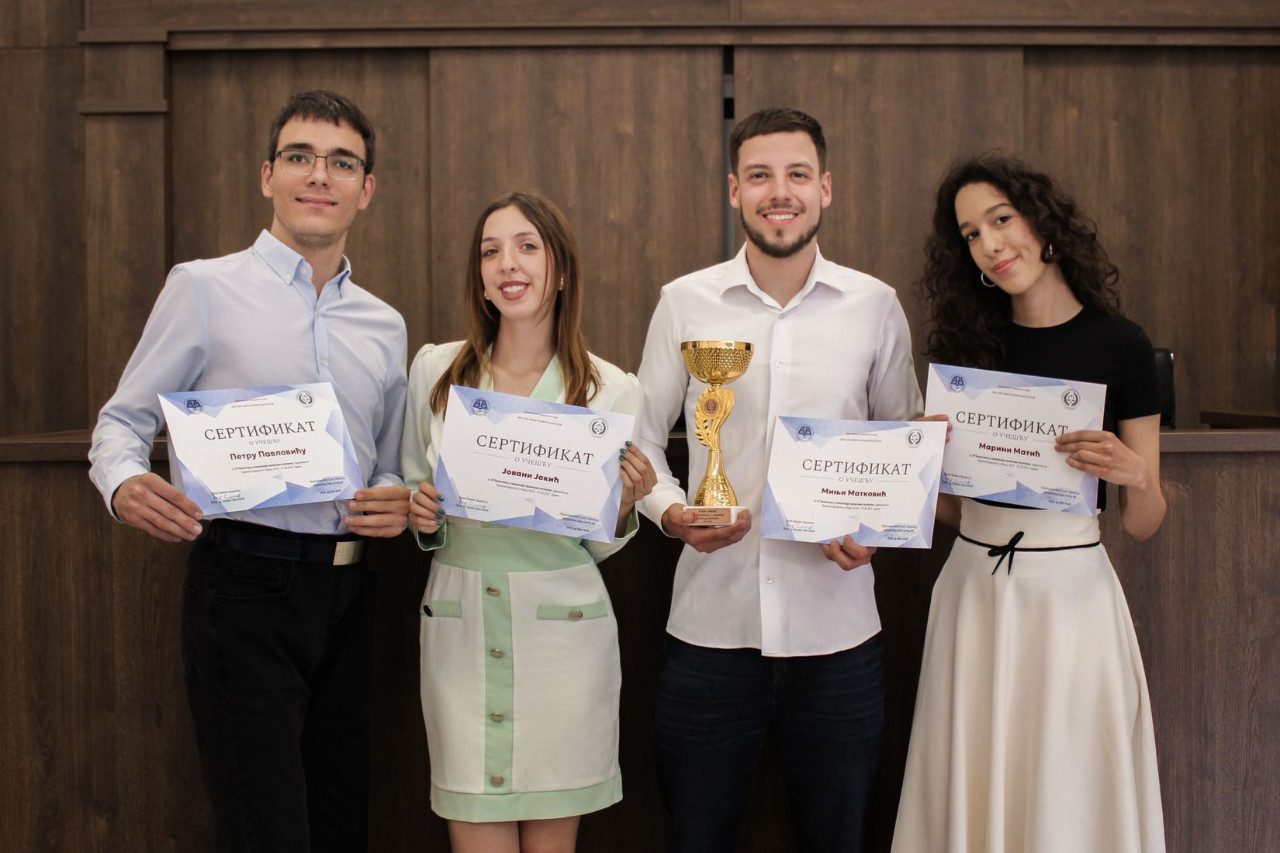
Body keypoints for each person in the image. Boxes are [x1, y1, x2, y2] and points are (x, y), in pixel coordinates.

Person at [88, 90, 409, 852]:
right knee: (268, 830)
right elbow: (119, 425)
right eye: (300, 157)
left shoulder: (385, 324)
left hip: (350, 594)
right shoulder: (203, 288)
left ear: (366, 189)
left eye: (342, 163)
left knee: (340, 826)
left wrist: (394, 499)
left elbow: (389, 464)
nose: (319, 175)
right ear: (268, 175)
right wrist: (124, 484)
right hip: (243, 588)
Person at [635, 107, 923, 852]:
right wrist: (671, 513)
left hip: (838, 637)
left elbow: (904, 448)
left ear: (825, 188)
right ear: (735, 190)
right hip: (709, 631)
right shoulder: (684, 302)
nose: (779, 192)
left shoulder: (875, 306)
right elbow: (640, 442)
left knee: (839, 839)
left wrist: (875, 529)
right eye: (760, 176)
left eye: (797, 174)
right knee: (695, 838)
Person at [891, 155, 1168, 852]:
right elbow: (954, 511)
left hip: (1071, 597)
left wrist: (1135, 473)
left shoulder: (1124, 346)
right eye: (971, 234)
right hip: (973, 591)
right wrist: (924, 466)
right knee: (973, 776)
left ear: (1043, 222)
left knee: (1067, 783)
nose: (990, 243)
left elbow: (1143, 522)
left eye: (1001, 219)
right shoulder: (963, 349)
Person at [400, 190, 657, 853]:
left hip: (564, 638)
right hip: (460, 628)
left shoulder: (612, 388)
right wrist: (421, 514)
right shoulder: (436, 371)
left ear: (561, 269)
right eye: (490, 252)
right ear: (480, 276)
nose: (507, 264)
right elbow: (409, 489)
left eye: (527, 247)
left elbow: (596, 541)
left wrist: (624, 504)